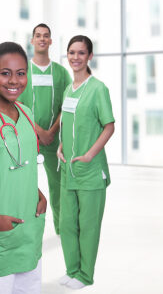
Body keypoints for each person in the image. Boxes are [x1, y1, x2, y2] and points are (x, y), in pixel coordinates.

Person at [57, 35, 115, 289]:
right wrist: (60, 145)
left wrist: (91, 154)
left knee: (88, 226)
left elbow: (109, 126)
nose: (75, 57)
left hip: (90, 170)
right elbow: (69, 125)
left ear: (90, 56)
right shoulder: (68, 89)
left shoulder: (98, 89)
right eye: (71, 52)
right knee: (67, 224)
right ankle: (72, 269)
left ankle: (85, 275)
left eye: (81, 53)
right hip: (68, 170)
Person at [0, 41, 47, 294]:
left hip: (29, 227)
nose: (13, 81)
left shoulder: (26, 113)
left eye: (20, 73)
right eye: (5, 73)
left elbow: (22, 165)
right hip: (3, 233)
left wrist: (37, 193)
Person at [18, 23, 72, 235]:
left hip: (54, 140)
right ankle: (25, 227)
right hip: (29, 137)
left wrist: (51, 132)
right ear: (32, 41)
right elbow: (18, 105)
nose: (42, 39)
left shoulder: (60, 73)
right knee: (25, 184)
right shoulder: (23, 72)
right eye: (38, 35)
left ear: (50, 41)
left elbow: (67, 103)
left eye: (46, 36)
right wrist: (39, 131)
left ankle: (61, 229)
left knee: (58, 185)